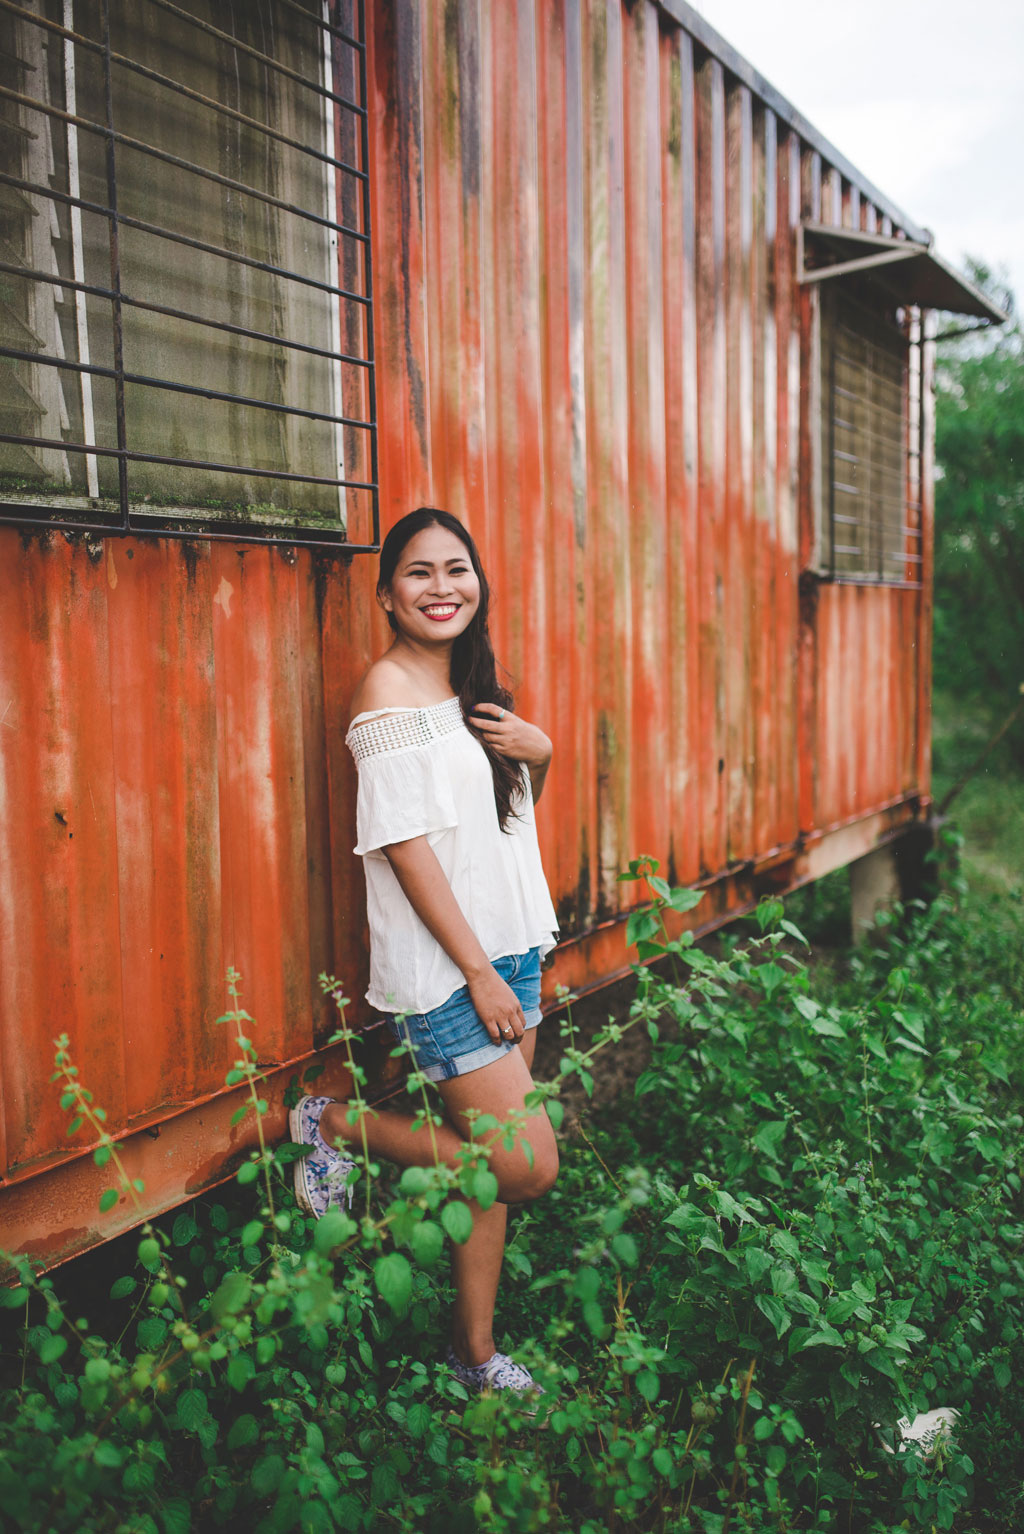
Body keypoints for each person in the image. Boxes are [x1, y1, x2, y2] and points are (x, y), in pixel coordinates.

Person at [289, 506, 561, 1400]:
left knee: (483, 1176)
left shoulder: (473, 689)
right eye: (418, 572)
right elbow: (405, 849)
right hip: (459, 975)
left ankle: (474, 1359)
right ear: (386, 595)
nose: (441, 587)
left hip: (514, 949)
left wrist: (542, 752)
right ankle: (330, 1125)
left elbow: (505, 824)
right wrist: (479, 973)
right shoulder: (386, 698)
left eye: (456, 569)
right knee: (524, 1166)